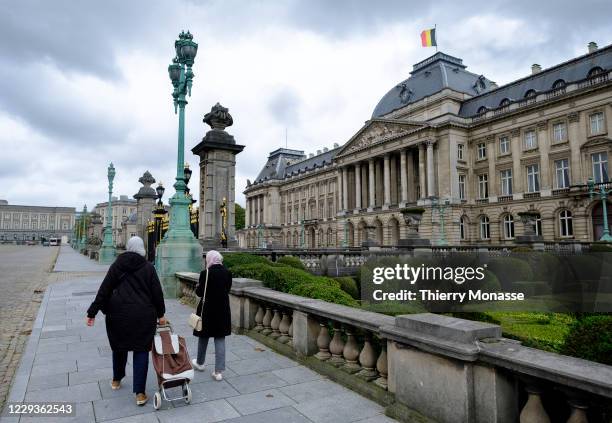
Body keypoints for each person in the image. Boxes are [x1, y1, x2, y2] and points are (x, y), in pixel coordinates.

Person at [86, 236, 166, 406]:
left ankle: (116, 379)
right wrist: (161, 314)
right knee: (141, 350)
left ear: (128, 247)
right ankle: (140, 393)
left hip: (118, 314)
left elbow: (104, 290)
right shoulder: (148, 267)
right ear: (142, 248)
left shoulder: (117, 265)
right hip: (143, 315)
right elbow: (157, 294)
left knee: (119, 347)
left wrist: (92, 312)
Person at [191, 250, 232, 381]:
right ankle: (218, 371)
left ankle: (200, 363)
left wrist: (198, 286)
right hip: (223, 310)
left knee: (203, 336)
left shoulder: (205, 273)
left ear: (209, 259)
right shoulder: (227, 272)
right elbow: (228, 289)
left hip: (207, 310)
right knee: (220, 339)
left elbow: (199, 292)